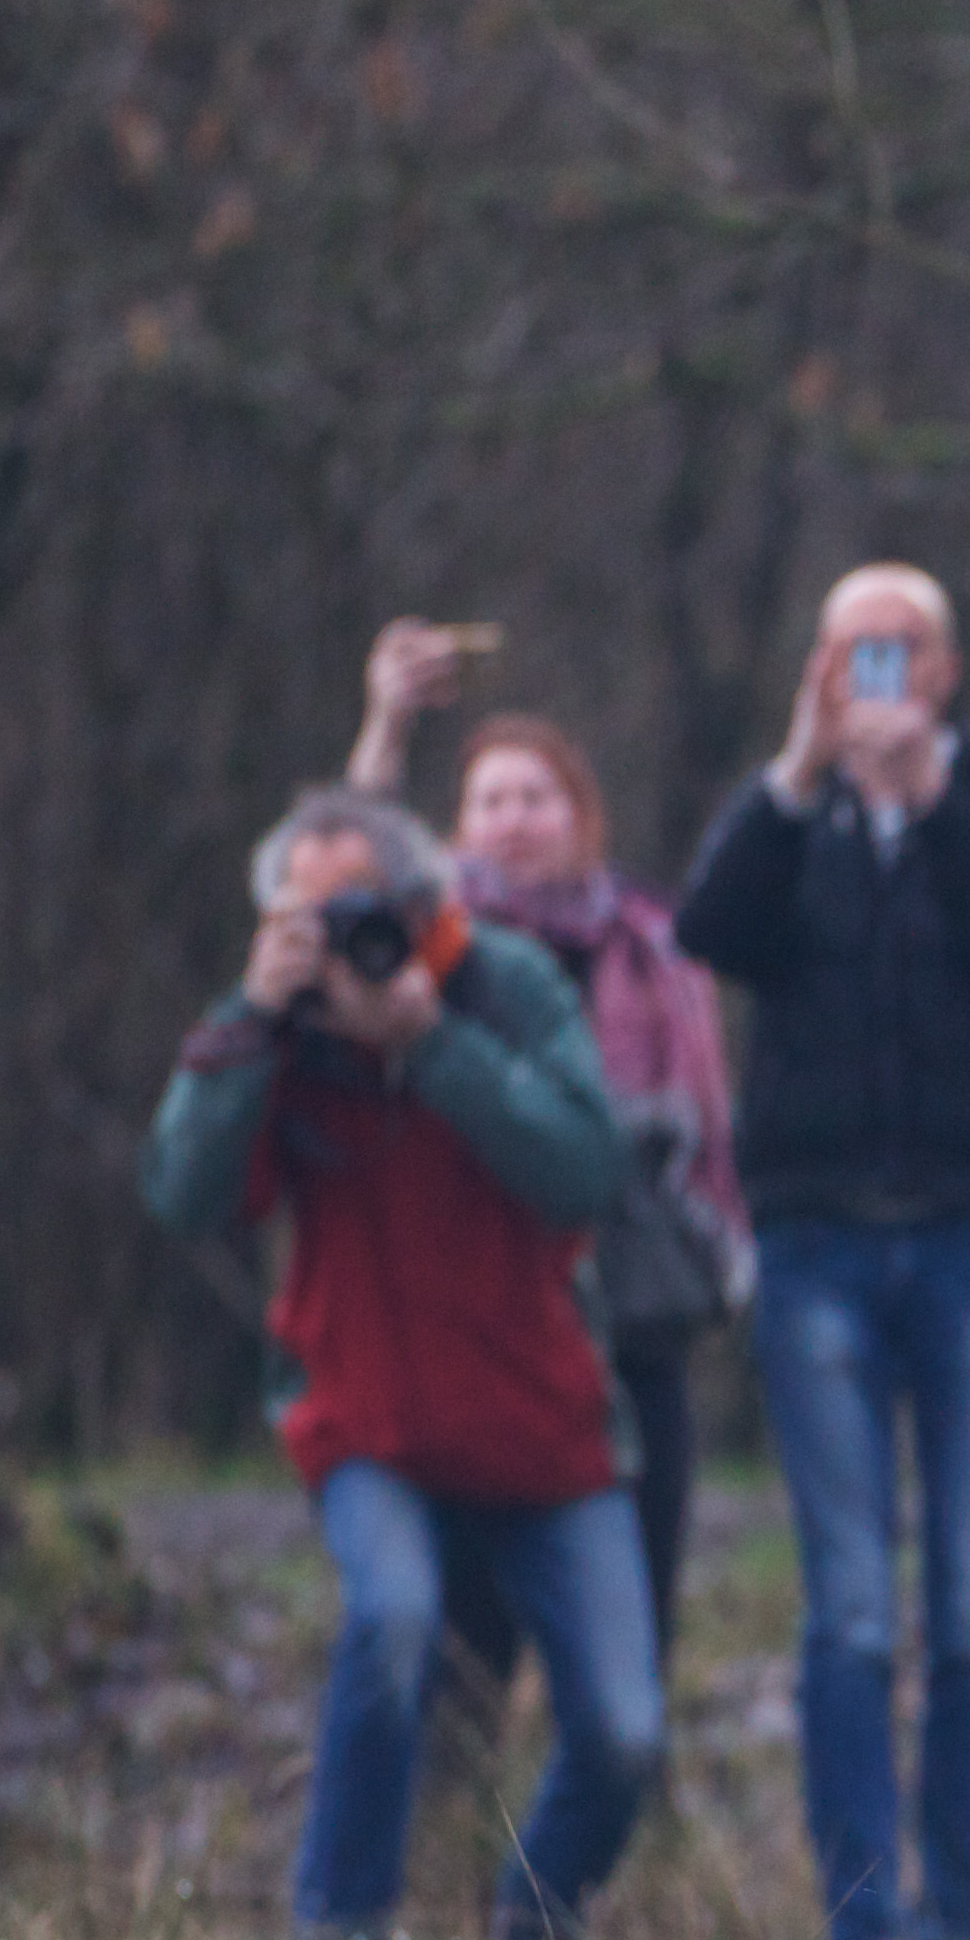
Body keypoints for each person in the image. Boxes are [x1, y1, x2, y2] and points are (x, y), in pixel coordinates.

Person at [141, 786, 660, 1940]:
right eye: (305, 920)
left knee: (623, 1730)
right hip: (364, 1421)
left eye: (354, 915)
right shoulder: (273, 1025)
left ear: (419, 903)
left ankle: (534, 1932)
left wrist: (430, 1046)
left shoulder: (502, 986)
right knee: (391, 1621)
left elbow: (583, 1170)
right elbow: (181, 1194)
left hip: (543, 1428)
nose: (339, 946)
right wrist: (252, 1016)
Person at [672, 563, 970, 1940]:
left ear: (949, 669)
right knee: (849, 1603)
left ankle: (968, 1924)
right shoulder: (791, 819)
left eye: (901, 651)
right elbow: (710, 932)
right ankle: (865, 1930)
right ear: (816, 669)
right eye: (853, 652)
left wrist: (926, 804)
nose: (879, 680)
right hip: (818, 1245)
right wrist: (800, 779)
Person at [349, 622, 749, 1663]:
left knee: (642, 1591)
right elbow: (352, 865)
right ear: (458, 824)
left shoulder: (652, 945)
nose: (514, 820)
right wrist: (387, 722)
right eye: (491, 800)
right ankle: (467, 1806)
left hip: (630, 1313)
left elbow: (702, 1118)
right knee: (470, 1617)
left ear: (581, 816)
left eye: (536, 798)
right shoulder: (430, 949)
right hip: (475, 1303)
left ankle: (631, 1796)